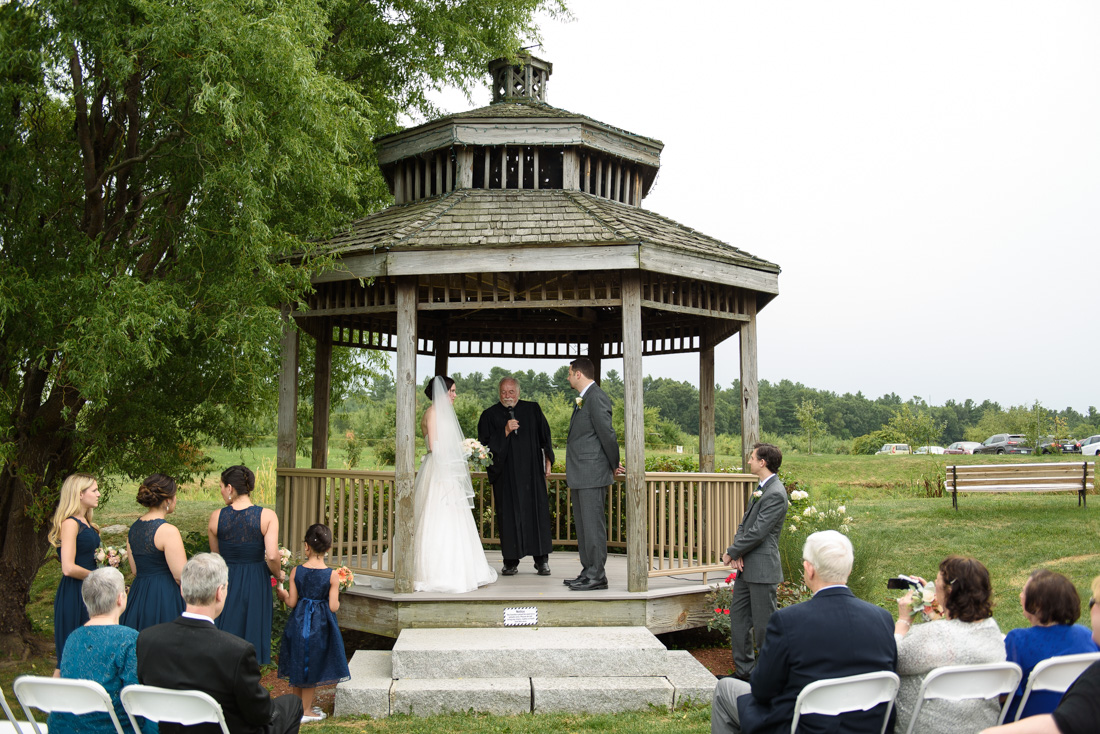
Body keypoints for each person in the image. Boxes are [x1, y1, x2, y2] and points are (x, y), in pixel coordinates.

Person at [711, 530, 897, 734]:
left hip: (801, 727)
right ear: (850, 569)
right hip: (868, 727)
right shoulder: (883, 618)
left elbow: (762, 690)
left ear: (809, 570)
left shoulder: (788, 621)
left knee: (725, 689)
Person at [137, 553, 302, 734]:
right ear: (219, 592)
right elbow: (261, 714)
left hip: (172, 729)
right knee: (292, 704)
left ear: (182, 590)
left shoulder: (147, 639)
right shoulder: (236, 651)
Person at [894, 556, 1006, 734]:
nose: (934, 585)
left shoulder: (932, 636)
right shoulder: (992, 630)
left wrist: (903, 621)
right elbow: (958, 635)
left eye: (937, 582)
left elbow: (893, 659)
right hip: (980, 728)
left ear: (949, 590)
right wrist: (938, 610)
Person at [981, 575, 1100, 734]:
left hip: (1024, 724)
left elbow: (1000, 695)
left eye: (1024, 592)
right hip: (1077, 718)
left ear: (1036, 605)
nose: (1020, 596)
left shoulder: (1019, 641)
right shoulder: (1086, 636)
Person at [412, 376, 498, 593]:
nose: (455, 395)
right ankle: (434, 572)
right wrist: (461, 450)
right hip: (437, 472)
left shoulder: (445, 414)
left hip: (447, 470)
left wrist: (465, 450)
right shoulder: (432, 413)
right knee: (436, 515)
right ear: (442, 393)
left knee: (455, 518)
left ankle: (462, 568)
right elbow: (434, 446)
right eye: (452, 391)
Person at [49, 567, 156, 734]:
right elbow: (136, 700)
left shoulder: (73, 638)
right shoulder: (129, 640)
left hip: (65, 728)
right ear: (121, 599)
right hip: (113, 728)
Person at [721, 443, 788, 680]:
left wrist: (731, 552)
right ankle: (744, 673)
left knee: (764, 627)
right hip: (746, 567)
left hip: (762, 569)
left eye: (751, 458)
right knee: (738, 621)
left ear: (763, 462)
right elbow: (745, 525)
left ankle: (768, 676)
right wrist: (739, 552)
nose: (748, 461)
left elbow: (759, 532)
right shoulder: (760, 488)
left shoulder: (776, 493)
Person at [477, 377, 556, 577]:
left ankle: (542, 561)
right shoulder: (489, 415)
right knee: (508, 518)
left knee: (536, 515)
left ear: (518, 392)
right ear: (499, 393)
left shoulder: (532, 410)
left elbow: (545, 437)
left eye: (511, 391)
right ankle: (510, 562)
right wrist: (504, 431)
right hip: (506, 477)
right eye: (503, 392)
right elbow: (484, 449)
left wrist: (548, 460)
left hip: (532, 474)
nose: (507, 396)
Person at [208, 465, 284, 664]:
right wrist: (278, 575)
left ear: (230, 488)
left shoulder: (216, 517)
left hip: (226, 579)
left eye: (222, 487)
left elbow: (215, 558)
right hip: (255, 580)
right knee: (253, 632)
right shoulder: (267, 516)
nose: (221, 491)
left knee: (225, 630)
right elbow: (273, 557)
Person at [276, 523, 350, 723]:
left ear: (306, 546)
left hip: (298, 623)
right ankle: (306, 710)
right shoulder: (332, 575)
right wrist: (338, 599)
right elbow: (333, 607)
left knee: (297, 663)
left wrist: (282, 594)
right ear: (327, 549)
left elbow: (291, 602)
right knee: (312, 665)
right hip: (319, 627)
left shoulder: (296, 572)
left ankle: (296, 707)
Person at [563, 357, 623, 592]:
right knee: (584, 526)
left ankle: (597, 575)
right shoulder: (583, 399)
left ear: (579, 374)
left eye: (569, 373)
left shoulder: (596, 397)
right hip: (581, 473)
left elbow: (607, 435)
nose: (567, 377)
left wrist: (614, 463)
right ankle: (588, 570)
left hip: (592, 473)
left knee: (593, 526)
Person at [49, 472, 101, 674]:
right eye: (94, 490)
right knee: (67, 656)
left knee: (88, 654)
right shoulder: (70, 523)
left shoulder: (88, 523)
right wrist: (98, 577)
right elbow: (68, 567)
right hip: (74, 592)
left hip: (90, 592)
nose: (98, 494)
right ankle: (54, 704)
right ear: (80, 494)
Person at [121, 473, 187, 631]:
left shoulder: (134, 528)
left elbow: (135, 570)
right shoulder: (168, 531)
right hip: (164, 596)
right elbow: (181, 576)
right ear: (167, 500)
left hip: (139, 594)